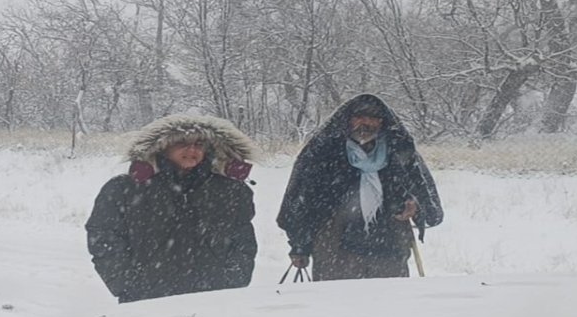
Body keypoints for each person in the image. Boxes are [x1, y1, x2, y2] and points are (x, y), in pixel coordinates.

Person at [85, 115, 259, 303]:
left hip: (214, 300)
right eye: (182, 143)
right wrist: (127, 284)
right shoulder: (125, 188)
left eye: (199, 144)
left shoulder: (231, 190)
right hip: (146, 301)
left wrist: (234, 279)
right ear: (163, 146)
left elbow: (243, 240)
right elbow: (104, 237)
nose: (192, 150)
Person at [277, 93, 443, 281]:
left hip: (388, 253)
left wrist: (415, 207)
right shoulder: (323, 153)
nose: (366, 123)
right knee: (336, 307)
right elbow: (300, 203)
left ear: (382, 122)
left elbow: (429, 204)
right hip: (335, 252)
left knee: (390, 307)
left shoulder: (400, 153)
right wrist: (300, 246)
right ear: (347, 120)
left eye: (373, 118)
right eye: (359, 117)